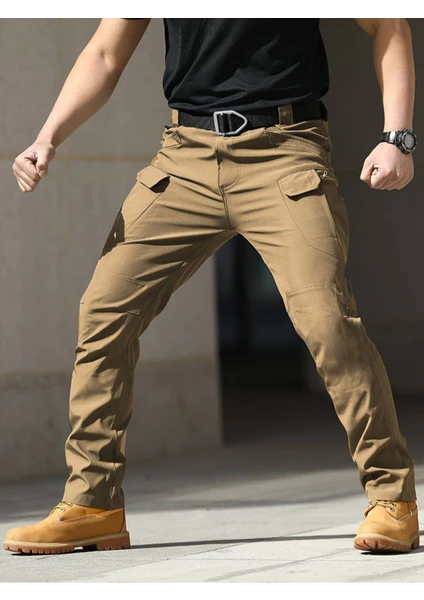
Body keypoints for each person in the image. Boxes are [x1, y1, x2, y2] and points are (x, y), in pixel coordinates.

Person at [3, 18, 419, 556]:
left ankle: (392, 497)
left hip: (285, 151)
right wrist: (47, 137)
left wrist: (396, 137)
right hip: (185, 158)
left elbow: (388, 22)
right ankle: (92, 504)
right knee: (104, 311)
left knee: (326, 321)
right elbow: (105, 52)